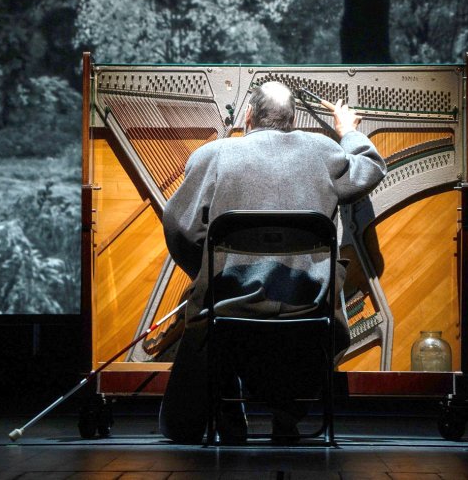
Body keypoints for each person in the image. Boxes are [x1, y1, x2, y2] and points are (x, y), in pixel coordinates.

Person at [159, 81, 386, 443]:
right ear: (292, 119)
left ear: (248, 115)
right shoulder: (323, 151)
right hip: (308, 311)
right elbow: (370, 168)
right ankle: (287, 416)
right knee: (312, 328)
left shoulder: (212, 155)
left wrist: (207, 269)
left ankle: (226, 417)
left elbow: (178, 227)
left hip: (230, 312)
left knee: (208, 312)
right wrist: (348, 132)